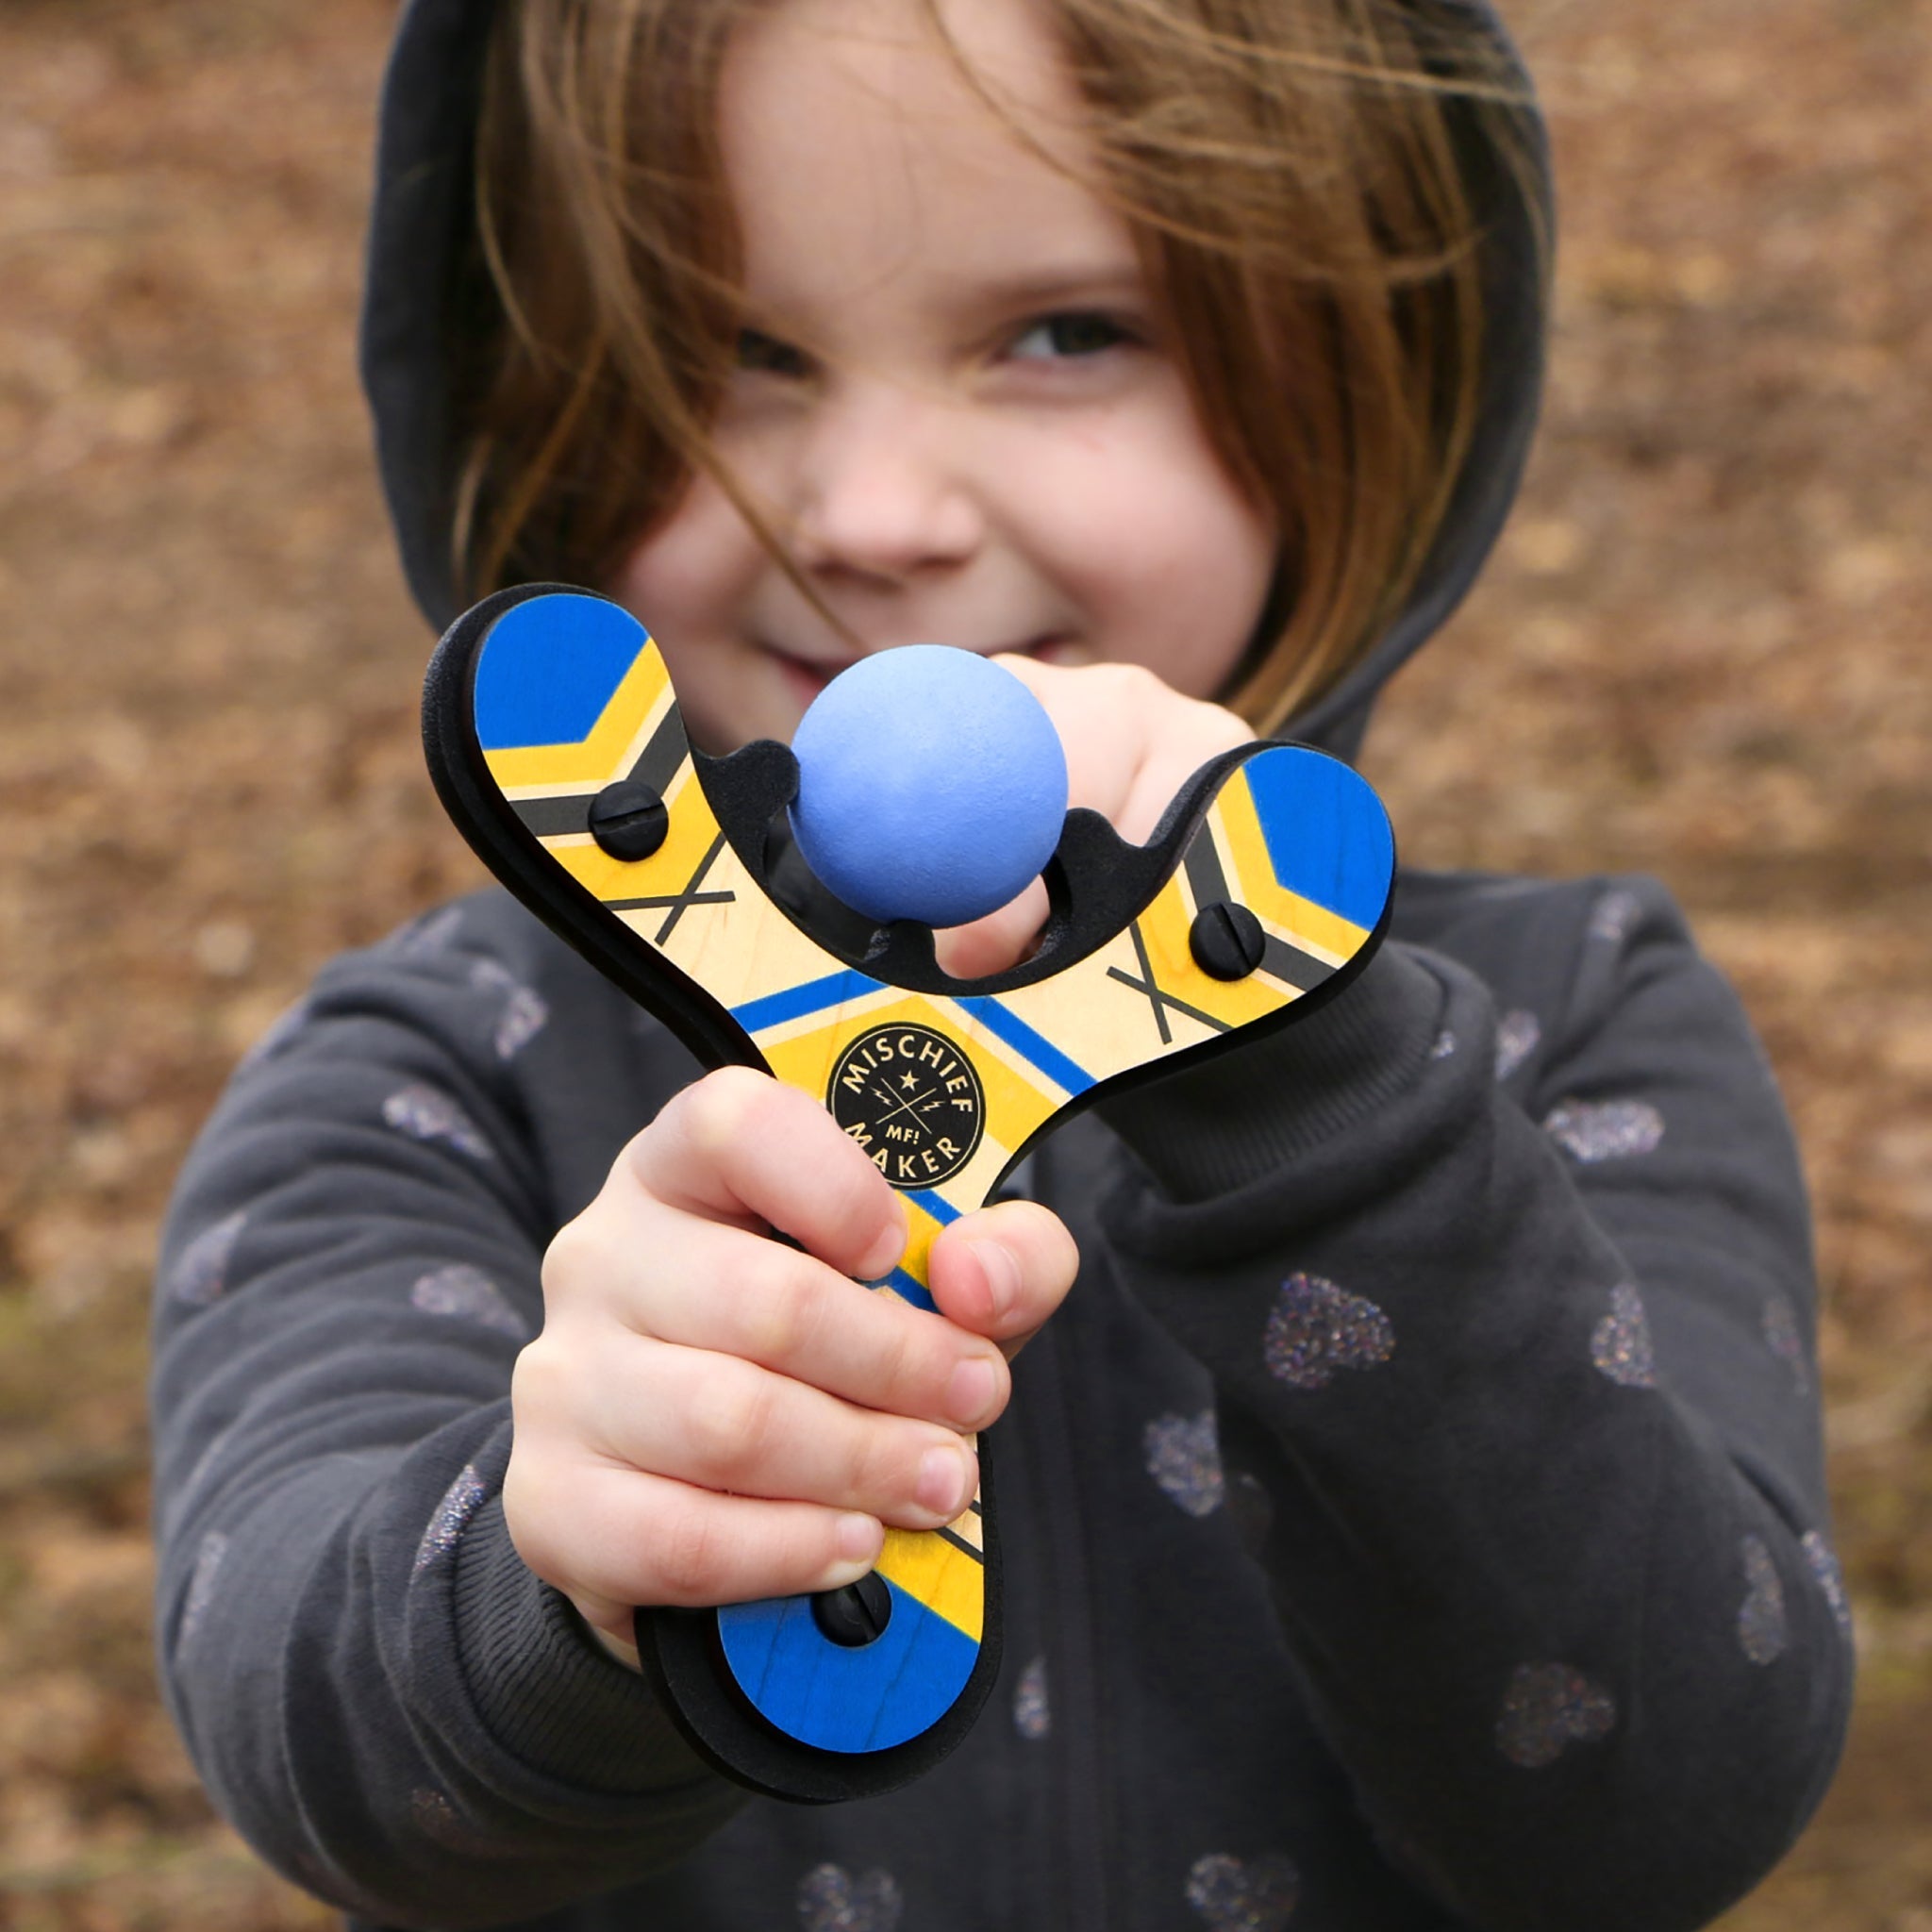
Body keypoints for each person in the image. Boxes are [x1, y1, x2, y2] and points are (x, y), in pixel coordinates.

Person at [150, 0, 1854, 1925]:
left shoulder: (1566, 1022)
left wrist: (1318, 1084)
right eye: (734, 348)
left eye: (1064, 335)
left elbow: (1657, 1803)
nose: (875, 519)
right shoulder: (443, 1064)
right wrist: (570, 1574)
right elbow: (310, 1725)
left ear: (1372, 374)